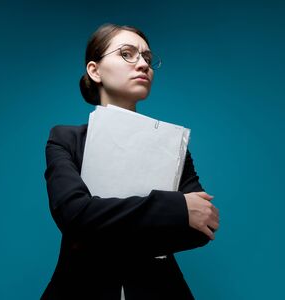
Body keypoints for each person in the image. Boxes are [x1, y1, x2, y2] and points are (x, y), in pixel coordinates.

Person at [41, 23, 220, 300]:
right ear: (94, 70)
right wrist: (175, 207)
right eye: (127, 53)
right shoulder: (65, 138)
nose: (143, 64)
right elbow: (74, 215)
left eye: (147, 58)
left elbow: (201, 225)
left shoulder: (173, 144)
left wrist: (102, 225)